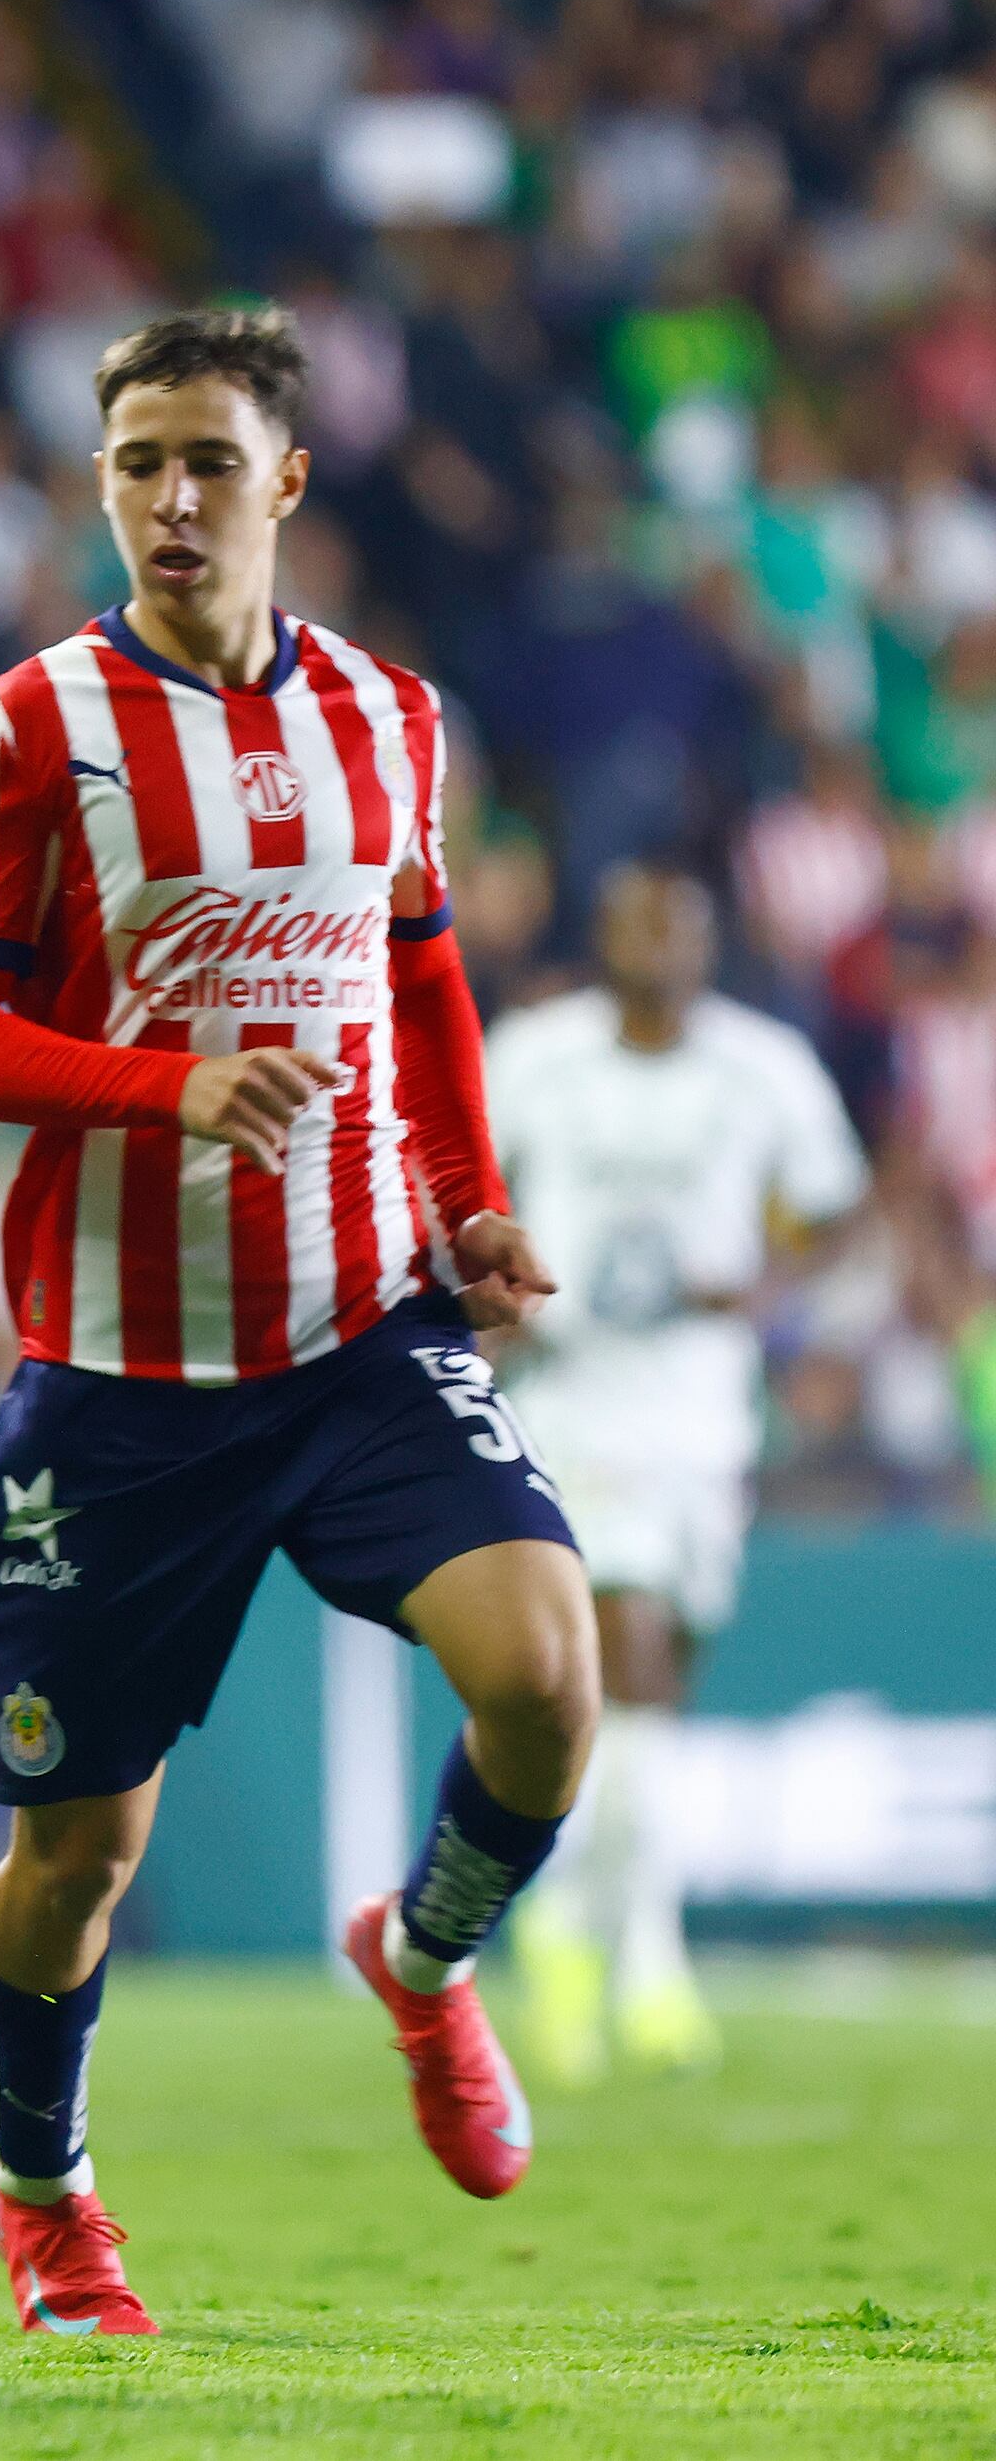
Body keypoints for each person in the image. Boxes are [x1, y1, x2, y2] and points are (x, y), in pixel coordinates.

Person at [0, 302, 598, 2334]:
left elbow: (422, 975)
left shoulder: (386, 715)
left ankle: (424, 1956)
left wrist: (466, 1204)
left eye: (206, 461)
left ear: (283, 480)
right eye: (134, 464)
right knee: (70, 1867)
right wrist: (161, 1081)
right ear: (98, 482)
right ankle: (42, 2188)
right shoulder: (26, 725)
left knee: (546, 1673)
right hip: (116, 1384)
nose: (169, 500)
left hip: (358, 1330)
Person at [488, 862, 865, 2082]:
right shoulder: (537, 1054)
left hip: (704, 1414)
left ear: (707, 942)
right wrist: (497, 1290)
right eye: (635, 920)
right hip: (573, 1398)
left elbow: (833, 1210)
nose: (657, 939)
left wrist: (768, 1285)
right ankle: (640, 1966)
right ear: (600, 936)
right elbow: (454, 1177)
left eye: (678, 921)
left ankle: (590, 1931)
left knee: (661, 1683)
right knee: (631, 1652)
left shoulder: (763, 1067)